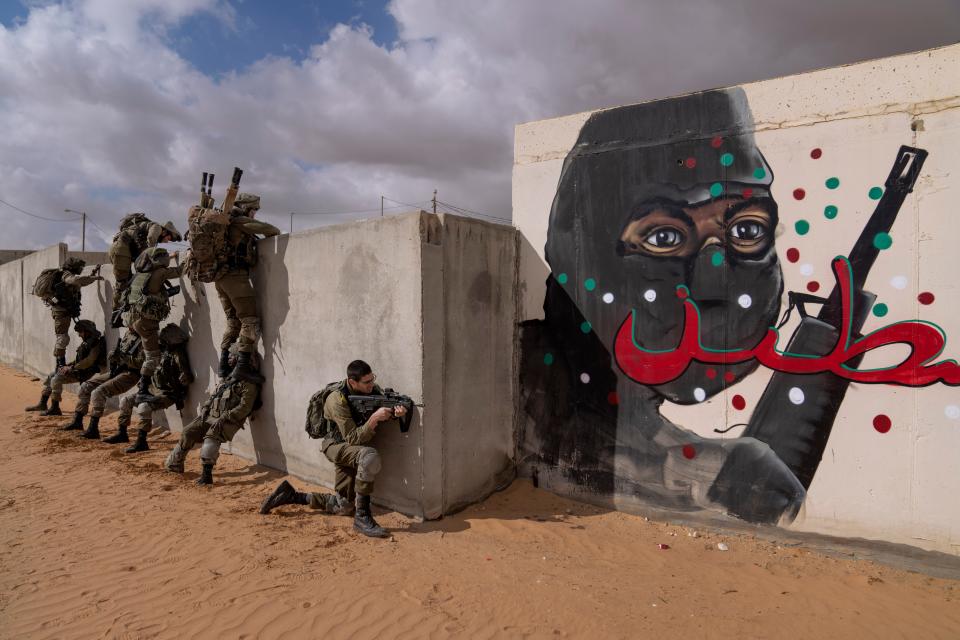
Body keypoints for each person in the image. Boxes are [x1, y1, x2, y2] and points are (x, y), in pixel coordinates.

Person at [519, 88, 806, 525]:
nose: (714, 279)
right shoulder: (523, 381)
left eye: (747, 229)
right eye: (664, 237)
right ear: (573, 248)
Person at [259, 360, 406, 539]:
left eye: (372, 379)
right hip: (335, 445)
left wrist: (395, 414)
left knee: (343, 506)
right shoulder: (336, 399)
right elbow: (352, 437)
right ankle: (362, 517)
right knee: (369, 456)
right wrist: (375, 418)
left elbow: (380, 406)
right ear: (352, 382)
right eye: (366, 382)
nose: (371, 385)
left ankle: (292, 496)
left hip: (353, 448)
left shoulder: (372, 389)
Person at [163, 346, 262, 485]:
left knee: (211, 439)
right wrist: (205, 408)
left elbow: (245, 408)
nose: (228, 358)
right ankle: (175, 464)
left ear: (240, 360)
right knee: (188, 432)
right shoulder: (229, 378)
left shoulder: (249, 384)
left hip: (228, 420)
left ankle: (206, 475)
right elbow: (214, 395)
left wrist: (225, 417)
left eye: (232, 356)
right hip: (210, 415)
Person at [213, 193, 280, 379]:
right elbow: (272, 230)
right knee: (249, 320)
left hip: (220, 277)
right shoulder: (238, 220)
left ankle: (223, 365)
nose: (254, 214)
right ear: (245, 208)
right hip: (236, 277)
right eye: (253, 210)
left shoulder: (224, 222)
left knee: (233, 321)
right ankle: (242, 367)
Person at [112, 324, 193, 453]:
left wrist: (184, 378)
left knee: (144, 407)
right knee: (125, 401)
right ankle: (122, 433)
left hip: (168, 394)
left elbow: (188, 377)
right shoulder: (160, 352)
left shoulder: (178, 355)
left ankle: (141, 441)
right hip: (153, 390)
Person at [124, 247, 187, 405]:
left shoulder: (140, 275)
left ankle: (144, 387)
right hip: (147, 323)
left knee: (150, 354)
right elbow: (180, 271)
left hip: (136, 321)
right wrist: (190, 257)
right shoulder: (159, 273)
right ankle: (143, 390)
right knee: (153, 357)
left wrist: (172, 257)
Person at [62, 327, 143, 436]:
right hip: (118, 370)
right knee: (85, 386)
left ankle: (93, 428)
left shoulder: (145, 338)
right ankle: (77, 420)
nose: (129, 325)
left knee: (98, 392)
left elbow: (140, 363)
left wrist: (124, 358)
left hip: (131, 374)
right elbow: (122, 350)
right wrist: (114, 355)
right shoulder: (129, 334)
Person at [32, 256, 102, 370]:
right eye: (79, 267)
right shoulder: (66, 275)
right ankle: (60, 364)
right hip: (61, 312)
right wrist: (93, 278)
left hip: (67, 310)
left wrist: (92, 275)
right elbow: (75, 280)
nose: (80, 269)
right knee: (63, 338)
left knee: (84, 329)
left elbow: (80, 283)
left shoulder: (66, 275)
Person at [25, 320, 106, 416]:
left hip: (83, 373)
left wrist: (71, 368)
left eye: (80, 332)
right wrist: (67, 366)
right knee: (52, 375)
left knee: (56, 379)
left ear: (87, 331)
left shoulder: (95, 344)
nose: (79, 335)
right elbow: (79, 360)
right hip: (78, 369)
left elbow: (89, 361)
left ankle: (55, 408)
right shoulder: (87, 342)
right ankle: (43, 403)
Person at [109, 213, 181, 316]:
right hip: (121, 250)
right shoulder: (156, 227)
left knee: (128, 283)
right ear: (165, 231)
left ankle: (121, 310)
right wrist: (151, 254)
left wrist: (169, 256)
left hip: (122, 251)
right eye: (168, 238)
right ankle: (115, 313)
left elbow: (149, 256)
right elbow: (151, 239)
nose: (167, 241)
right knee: (122, 283)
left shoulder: (149, 234)